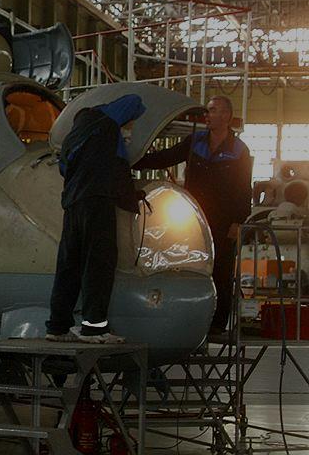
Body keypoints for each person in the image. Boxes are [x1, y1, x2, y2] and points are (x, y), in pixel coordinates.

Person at [134, 95, 252, 336]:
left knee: (221, 269)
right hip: (193, 217)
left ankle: (217, 324)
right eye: (208, 110)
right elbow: (165, 157)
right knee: (188, 266)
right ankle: (189, 318)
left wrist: (238, 221)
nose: (207, 115)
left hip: (224, 220)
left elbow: (244, 189)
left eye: (213, 110)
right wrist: (135, 160)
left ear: (226, 116)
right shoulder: (194, 142)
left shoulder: (239, 150)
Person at [47, 94, 147, 344]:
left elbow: (63, 169)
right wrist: (133, 198)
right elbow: (120, 170)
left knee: (69, 265)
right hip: (98, 202)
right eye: (131, 122)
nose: (131, 127)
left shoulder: (74, 137)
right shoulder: (108, 127)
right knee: (99, 263)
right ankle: (94, 328)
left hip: (73, 205)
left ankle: (57, 327)